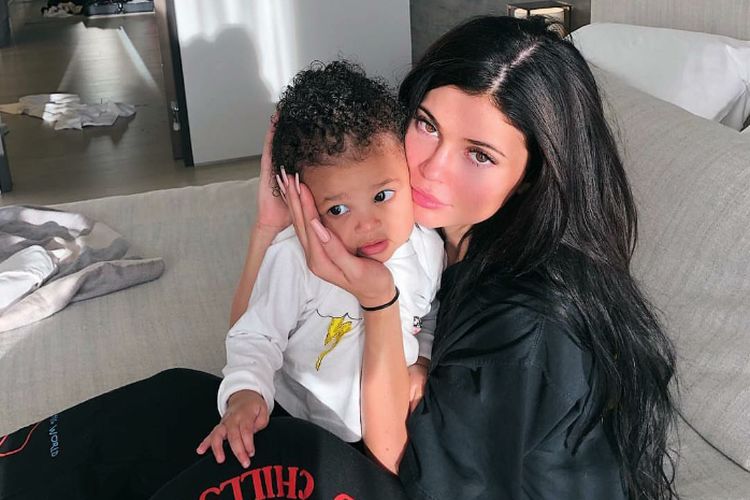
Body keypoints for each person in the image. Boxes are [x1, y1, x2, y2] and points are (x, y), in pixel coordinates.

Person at [236, 15, 679, 499]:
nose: (432, 168)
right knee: (183, 400)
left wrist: (378, 301)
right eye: (428, 125)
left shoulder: (525, 324)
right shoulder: (428, 237)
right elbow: (252, 336)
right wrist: (269, 228)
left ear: (531, 176)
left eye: (479, 155)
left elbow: (399, 465)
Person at [199, 61, 444, 467]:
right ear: (303, 204)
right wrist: (246, 394)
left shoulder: (426, 248)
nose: (368, 224)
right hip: (296, 418)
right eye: (338, 208)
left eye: (383, 196)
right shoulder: (293, 261)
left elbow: (429, 312)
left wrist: (421, 360)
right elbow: (255, 336)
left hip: (386, 425)